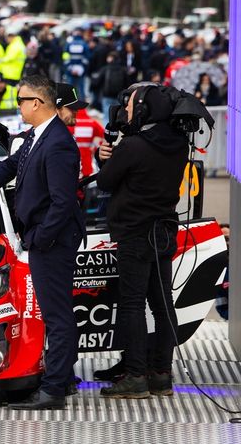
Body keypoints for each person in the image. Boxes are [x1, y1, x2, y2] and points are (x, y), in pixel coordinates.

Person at [0, 75, 84, 410]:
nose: (18, 107)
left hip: (52, 240)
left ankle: (53, 390)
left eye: (21, 101)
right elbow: (10, 167)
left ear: (37, 103)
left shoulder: (57, 143)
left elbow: (63, 202)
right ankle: (60, 381)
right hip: (45, 237)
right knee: (56, 312)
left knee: (56, 315)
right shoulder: (37, 135)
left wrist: (40, 238)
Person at [95, 84, 189, 399]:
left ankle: (135, 376)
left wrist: (104, 156)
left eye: (131, 107)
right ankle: (161, 374)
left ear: (145, 111)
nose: (126, 112)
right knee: (163, 305)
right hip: (163, 231)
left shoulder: (133, 146)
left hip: (135, 234)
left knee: (132, 305)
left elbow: (105, 181)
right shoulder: (179, 143)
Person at [55, 83, 104, 178]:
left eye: (77, 108)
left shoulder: (65, 130)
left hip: (80, 174)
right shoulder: (92, 123)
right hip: (85, 170)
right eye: (72, 108)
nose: (76, 111)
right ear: (57, 108)